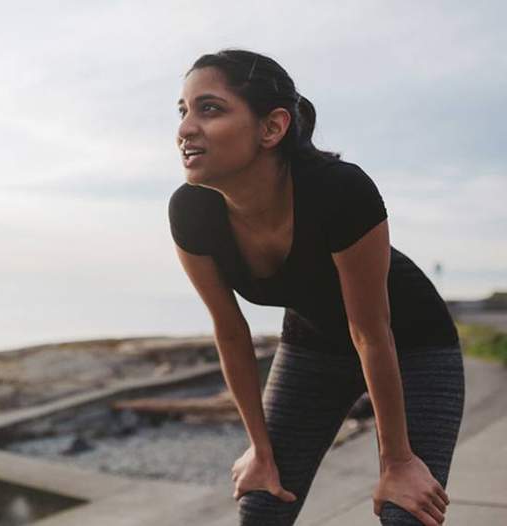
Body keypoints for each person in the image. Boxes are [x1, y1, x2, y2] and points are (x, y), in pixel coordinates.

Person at [168, 49, 464, 526]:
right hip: (313, 346)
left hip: (411, 344)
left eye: (210, 108)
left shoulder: (339, 191)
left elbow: (371, 331)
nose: (185, 128)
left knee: (405, 512)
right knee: (262, 505)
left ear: (272, 128)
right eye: (183, 111)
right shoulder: (192, 213)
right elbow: (230, 332)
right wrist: (260, 449)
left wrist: (398, 463)